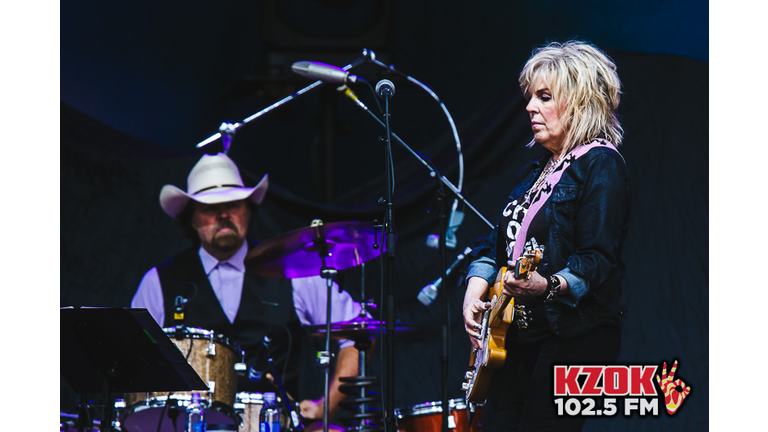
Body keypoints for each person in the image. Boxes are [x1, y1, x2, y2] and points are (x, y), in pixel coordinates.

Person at [462, 41, 630, 431]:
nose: (530, 107)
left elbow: (598, 260)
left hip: (572, 338)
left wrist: (548, 285)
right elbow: (495, 244)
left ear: (578, 101)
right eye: (530, 97)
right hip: (516, 340)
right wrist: (475, 286)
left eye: (544, 97)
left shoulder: (600, 164)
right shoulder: (535, 171)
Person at [131, 152, 364, 428]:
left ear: (248, 210)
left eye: (233, 204)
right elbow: (132, 363)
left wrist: (327, 408)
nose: (223, 214)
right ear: (191, 219)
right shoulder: (158, 282)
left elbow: (358, 335)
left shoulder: (292, 272)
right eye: (209, 207)